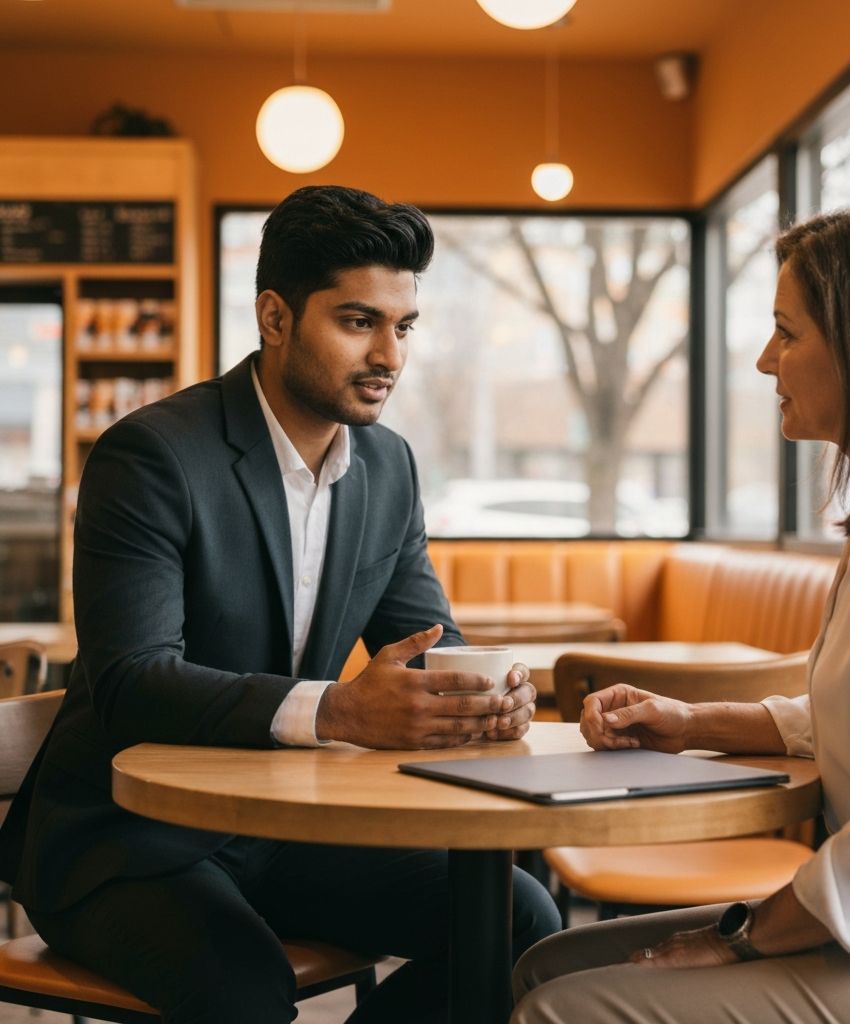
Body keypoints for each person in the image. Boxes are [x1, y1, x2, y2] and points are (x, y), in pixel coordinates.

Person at [0, 184, 559, 1024]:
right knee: (246, 991)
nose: (390, 356)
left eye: (403, 327)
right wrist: (338, 710)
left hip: (285, 827)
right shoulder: (151, 456)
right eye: (358, 321)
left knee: (522, 920)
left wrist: (483, 690)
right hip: (126, 839)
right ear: (275, 317)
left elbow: (428, 636)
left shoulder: (389, 467)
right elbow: (129, 680)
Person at [511, 203, 850, 1024]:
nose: (762, 360)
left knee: (564, 1008)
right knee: (548, 962)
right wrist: (690, 721)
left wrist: (742, 935)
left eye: (787, 333)